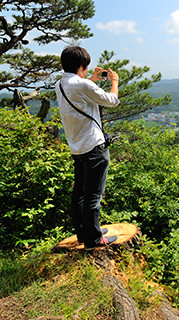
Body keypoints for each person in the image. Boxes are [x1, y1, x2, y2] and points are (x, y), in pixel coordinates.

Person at [55, 46, 119, 250]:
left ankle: (84, 233)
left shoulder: (60, 84)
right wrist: (114, 82)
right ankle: (94, 240)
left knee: (80, 193)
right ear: (82, 66)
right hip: (94, 147)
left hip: (77, 148)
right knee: (94, 194)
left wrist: (90, 79)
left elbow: (80, 90)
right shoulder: (82, 85)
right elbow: (112, 101)